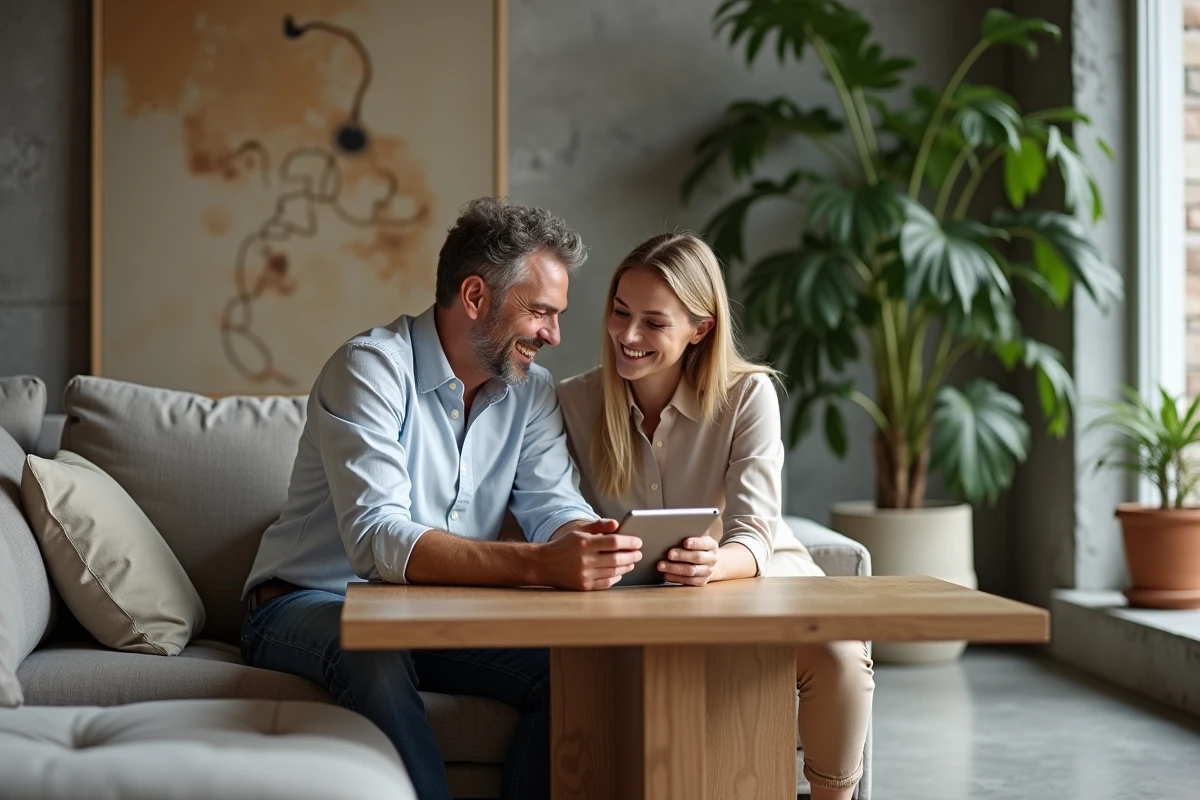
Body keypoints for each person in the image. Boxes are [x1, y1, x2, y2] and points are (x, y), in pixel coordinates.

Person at [240, 197, 644, 800]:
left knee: (572, 670)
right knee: (373, 654)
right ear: (476, 296)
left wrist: (583, 541)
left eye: (556, 316)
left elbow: (552, 504)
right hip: (304, 601)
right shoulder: (370, 369)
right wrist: (540, 565)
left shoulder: (529, 392)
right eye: (540, 312)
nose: (554, 335)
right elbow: (379, 538)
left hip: (430, 617)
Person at [556, 232, 875, 800]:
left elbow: (755, 534)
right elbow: (554, 511)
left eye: (653, 323)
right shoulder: (572, 402)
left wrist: (714, 562)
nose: (627, 335)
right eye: (620, 312)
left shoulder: (748, 395)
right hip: (634, 602)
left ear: (700, 329)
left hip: (751, 578)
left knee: (840, 654)